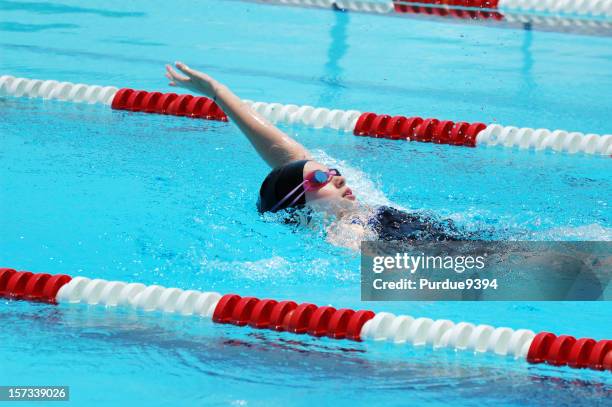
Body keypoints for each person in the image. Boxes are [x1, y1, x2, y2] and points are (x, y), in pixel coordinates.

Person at [165, 62, 471, 249]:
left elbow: (286, 155)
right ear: (299, 207)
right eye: (322, 177)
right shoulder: (344, 231)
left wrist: (217, 92)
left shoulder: (339, 210)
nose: (337, 177)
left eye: (332, 171)